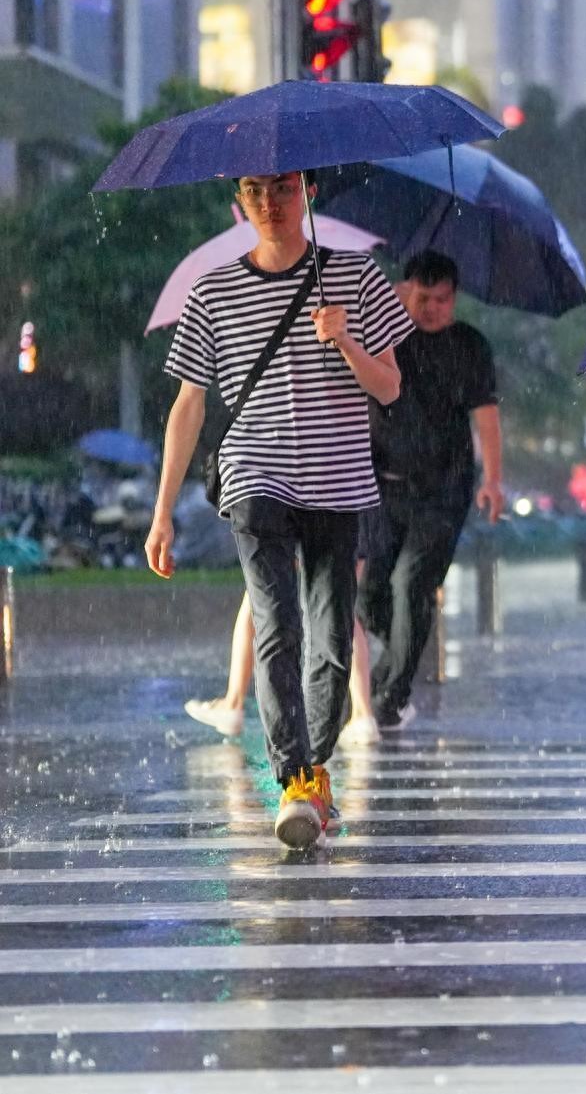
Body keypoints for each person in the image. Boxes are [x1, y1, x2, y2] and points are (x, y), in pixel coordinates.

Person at [146, 170, 412, 850]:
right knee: (276, 621)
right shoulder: (214, 290)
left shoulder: (356, 276)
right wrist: (163, 509)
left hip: (338, 479)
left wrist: (346, 340)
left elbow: (389, 385)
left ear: (308, 193)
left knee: (329, 635)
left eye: (285, 188)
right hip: (254, 476)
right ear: (241, 199)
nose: (271, 203)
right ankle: (292, 772)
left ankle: (312, 773)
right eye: (256, 190)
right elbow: (189, 405)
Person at [358, 250, 504, 731]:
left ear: (455, 299)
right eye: (423, 297)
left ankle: (390, 694)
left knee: (410, 584)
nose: (433, 309)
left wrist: (493, 480)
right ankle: (397, 657)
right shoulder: (384, 334)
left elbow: (486, 417)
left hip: (444, 491)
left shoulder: (470, 345)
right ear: (406, 291)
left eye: (443, 300)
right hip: (382, 486)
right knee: (369, 592)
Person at [183, 515, 381, 747]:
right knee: (341, 605)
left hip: (301, 505)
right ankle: (363, 713)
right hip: (352, 501)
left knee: (260, 597)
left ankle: (233, 703)